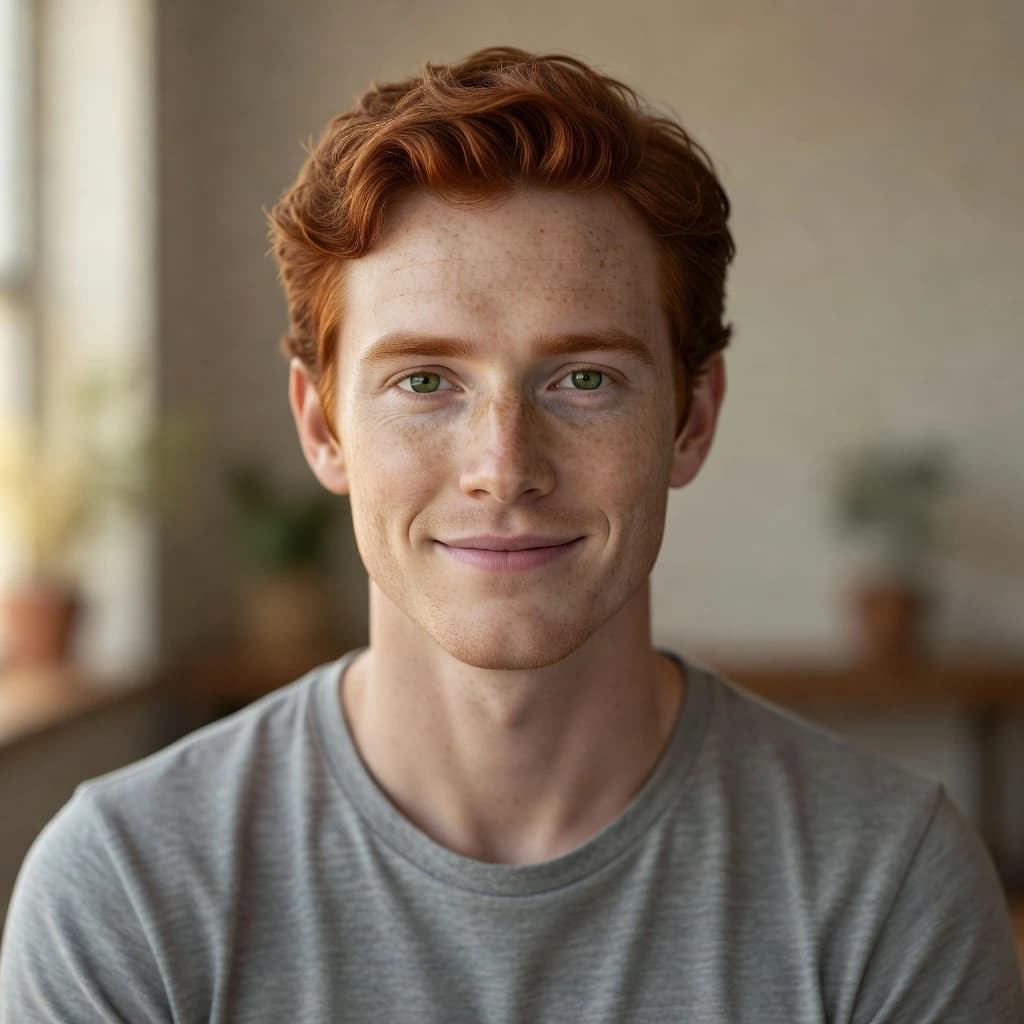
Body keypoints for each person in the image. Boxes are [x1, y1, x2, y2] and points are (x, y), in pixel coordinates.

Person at [1, 46, 1021, 1023]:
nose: (504, 465)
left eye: (584, 379)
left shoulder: (888, 883)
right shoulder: (128, 883)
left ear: (691, 418)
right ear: (322, 426)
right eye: (424, 382)